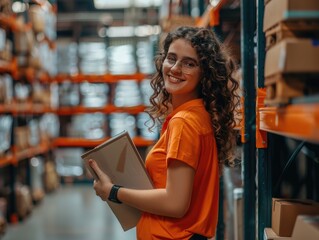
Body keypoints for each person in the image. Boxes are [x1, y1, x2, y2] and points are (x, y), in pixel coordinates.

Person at [89, 26, 240, 240]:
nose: (176, 68)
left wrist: (113, 191)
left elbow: (175, 203)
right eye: (171, 58)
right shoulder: (198, 115)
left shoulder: (184, 123)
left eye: (189, 63)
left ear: (204, 73)